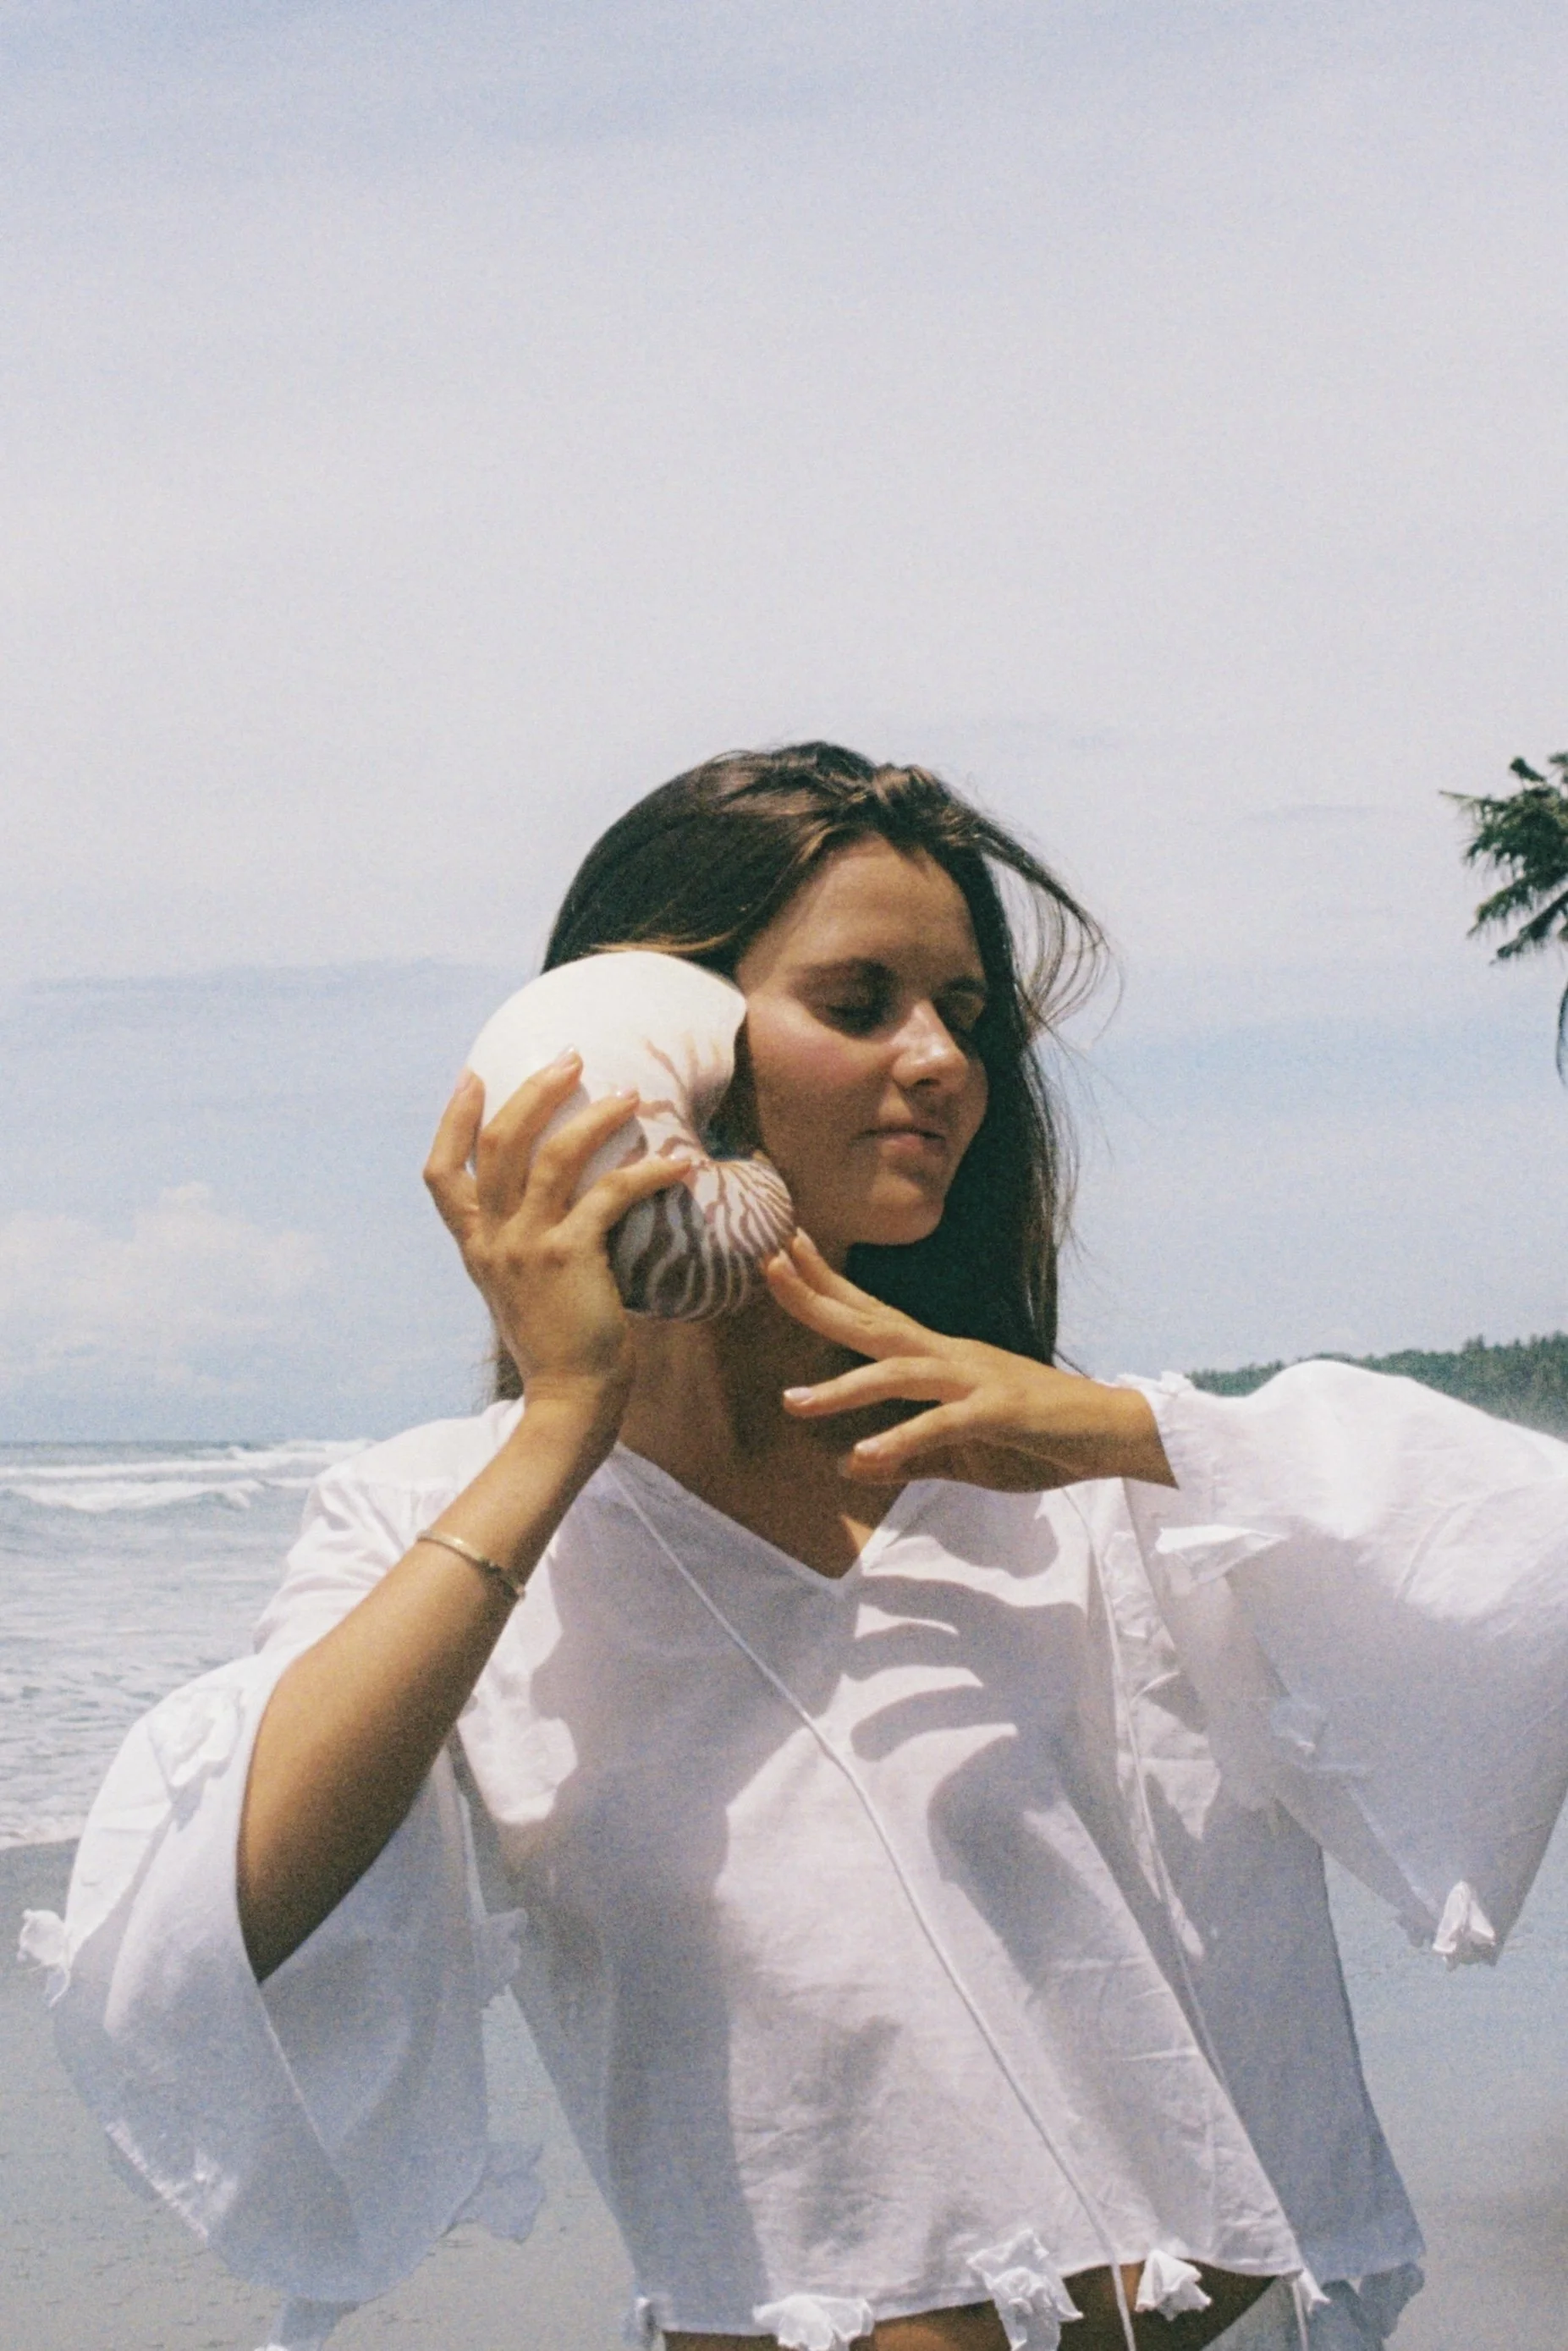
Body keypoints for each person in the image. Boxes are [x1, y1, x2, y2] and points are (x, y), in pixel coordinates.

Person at [25, 746, 1568, 2351]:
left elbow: (1523, 1567)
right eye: (862, 1001)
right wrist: (562, 1420)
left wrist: (1126, 1433)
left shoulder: (1088, 1473)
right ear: (657, 1044)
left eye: (966, 1016)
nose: (943, 1061)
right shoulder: (445, 1514)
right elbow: (215, 1926)